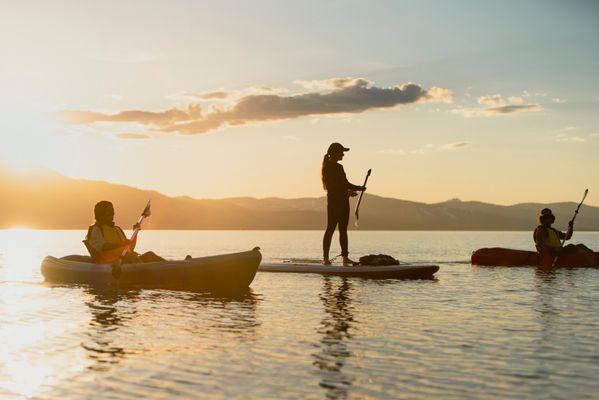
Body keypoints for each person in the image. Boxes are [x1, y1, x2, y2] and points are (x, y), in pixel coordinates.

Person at [321, 142, 366, 266]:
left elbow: (344, 183)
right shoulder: (328, 168)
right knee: (330, 229)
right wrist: (356, 188)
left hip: (343, 203)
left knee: (343, 230)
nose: (343, 155)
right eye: (342, 152)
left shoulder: (339, 167)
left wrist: (351, 191)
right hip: (334, 203)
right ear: (334, 153)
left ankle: (345, 257)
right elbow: (333, 186)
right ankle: (325, 259)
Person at [84, 200, 164, 264]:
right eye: (110, 212)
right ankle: (146, 275)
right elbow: (103, 247)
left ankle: (172, 269)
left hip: (125, 259)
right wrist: (122, 245)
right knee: (131, 256)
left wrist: (136, 232)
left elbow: (129, 248)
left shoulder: (117, 229)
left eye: (113, 211)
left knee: (150, 255)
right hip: (109, 263)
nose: (113, 214)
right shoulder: (96, 229)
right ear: (101, 214)